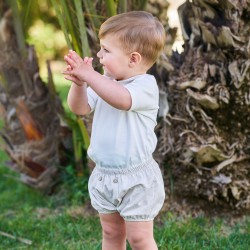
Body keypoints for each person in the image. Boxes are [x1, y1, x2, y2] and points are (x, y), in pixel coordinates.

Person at [63, 11, 166, 250]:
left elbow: (121, 99)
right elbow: (80, 108)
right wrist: (80, 84)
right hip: (104, 175)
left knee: (139, 239)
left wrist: (91, 76)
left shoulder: (145, 86)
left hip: (137, 179)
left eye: (106, 50)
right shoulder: (104, 81)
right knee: (111, 232)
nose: (99, 55)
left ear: (133, 59)